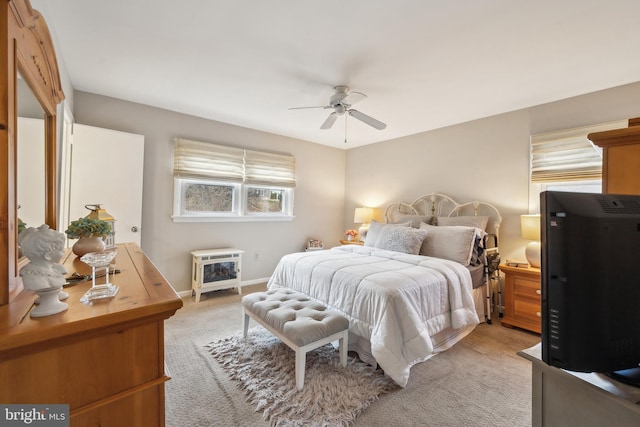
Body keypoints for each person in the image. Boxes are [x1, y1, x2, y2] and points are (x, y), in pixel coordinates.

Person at [18, 224, 67, 291]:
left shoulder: (53, 269)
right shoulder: (34, 277)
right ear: (48, 255)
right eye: (61, 250)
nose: (64, 252)